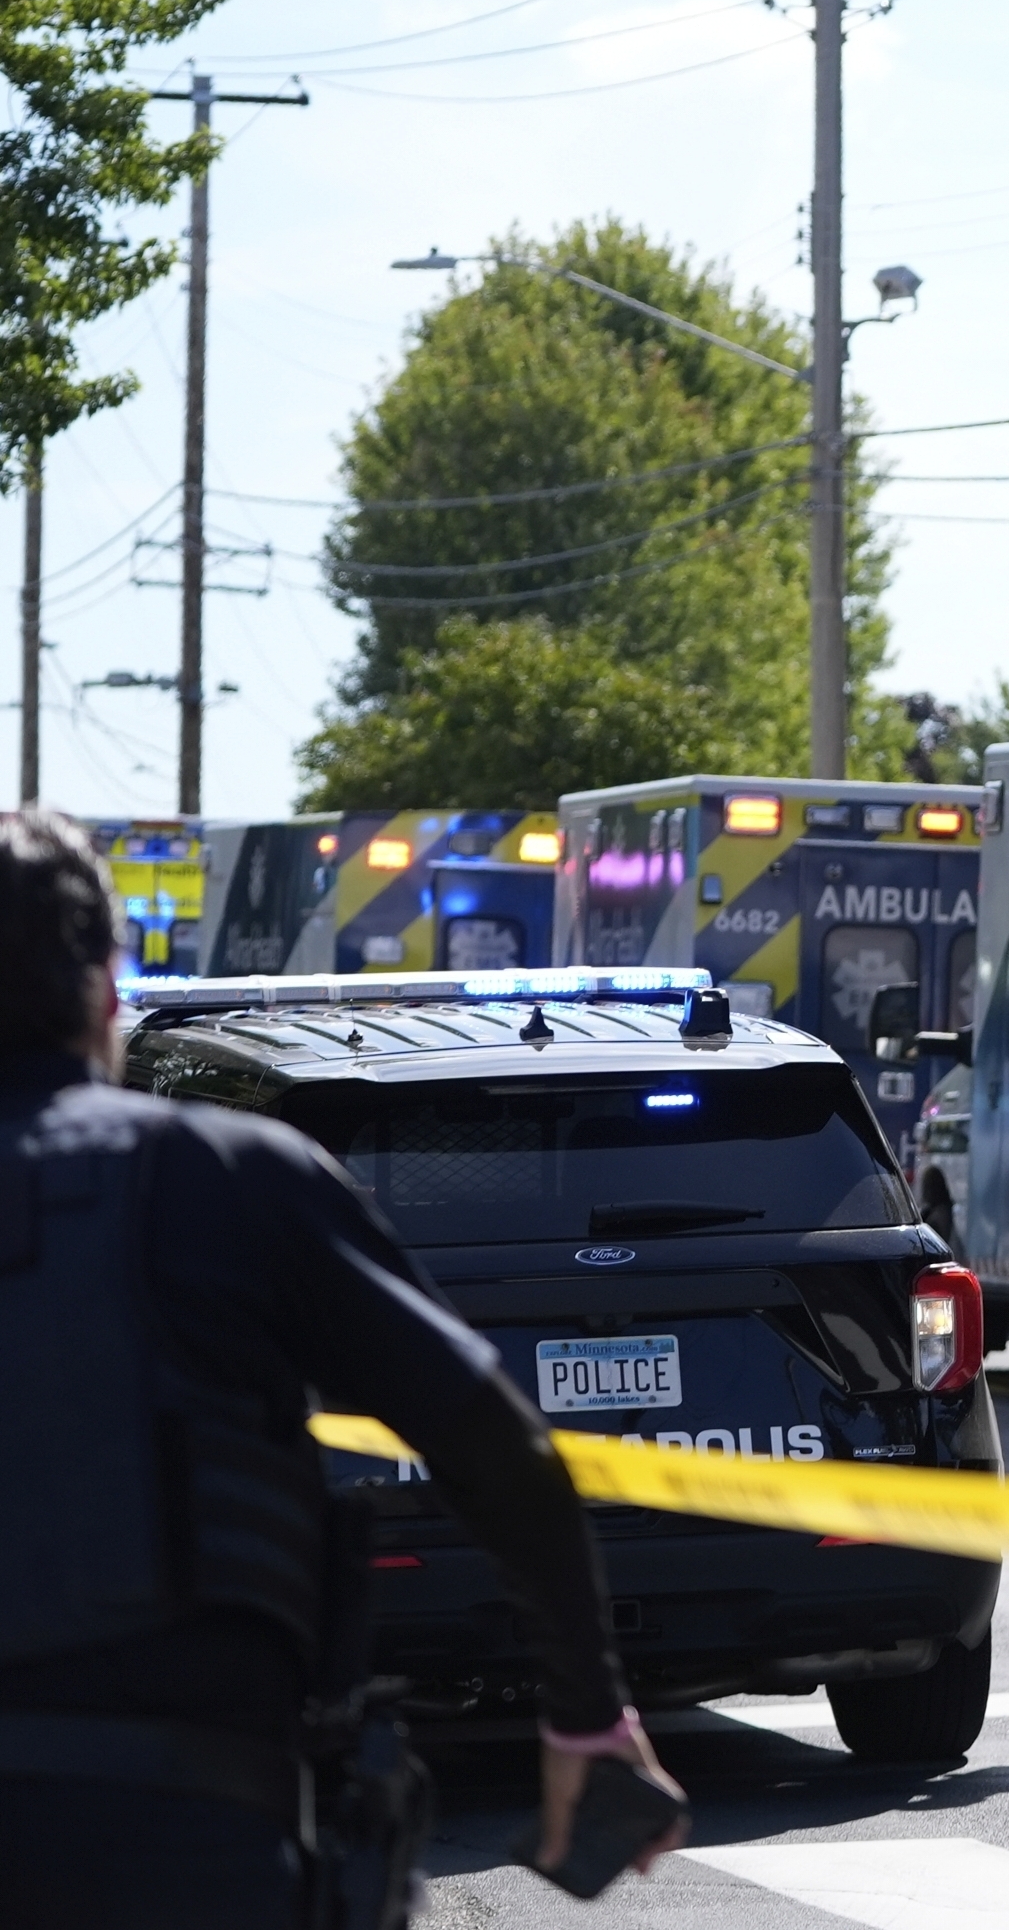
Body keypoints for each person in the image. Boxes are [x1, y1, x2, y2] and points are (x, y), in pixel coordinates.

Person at [0, 807, 680, 1928]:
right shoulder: (228, 1180)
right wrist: (586, 1715)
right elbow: (497, 1447)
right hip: (188, 1851)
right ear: (106, 994)